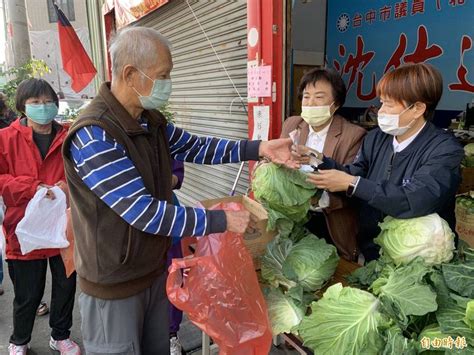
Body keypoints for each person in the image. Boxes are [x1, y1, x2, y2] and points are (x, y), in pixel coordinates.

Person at [61, 27, 294, 354]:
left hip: (152, 272)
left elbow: (196, 147)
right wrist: (221, 221)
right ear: (130, 74)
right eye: (163, 75)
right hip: (114, 286)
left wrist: (260, 148)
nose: (168, 84)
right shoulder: (95, 134)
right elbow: (144, 212)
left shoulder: (148, 121)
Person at [299, 63, 464, 261]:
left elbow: (415, 199)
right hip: (372, 248)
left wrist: (352, 183)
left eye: (389, 104)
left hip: (417, 259)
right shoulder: (376, 138)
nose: (381, 111)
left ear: (418, 108)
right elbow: (356, 172)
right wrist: (321, 161)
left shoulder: (445, 150)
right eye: (381, 102)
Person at [0, 78, 80, 355]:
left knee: (65, 286)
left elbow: (85, 175)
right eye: (35, 103)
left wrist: (69, 187)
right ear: (23, 106)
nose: (43, 107)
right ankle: (19, 340)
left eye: (48, 101)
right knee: (27, 293)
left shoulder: (71, 136)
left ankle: (60, 335)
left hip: (64, 227)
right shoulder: (5, 138)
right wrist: (31, 187)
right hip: (25, 227)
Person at [281, 68, 366, 261]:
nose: (310, 103)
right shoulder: (292, 124)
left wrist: (312, 200)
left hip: (330, 223)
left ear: (335, 104)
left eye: (319, 97)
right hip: (294, 220)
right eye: (306, 97)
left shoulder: (353, 135)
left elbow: (351, 191)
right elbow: (276, 162)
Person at [168, 160, 185, 355]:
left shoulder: (165, 134)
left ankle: (171, 334)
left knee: (174, 283)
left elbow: (176, 176)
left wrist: (168, 180)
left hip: (169, 220)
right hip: (136, 230)